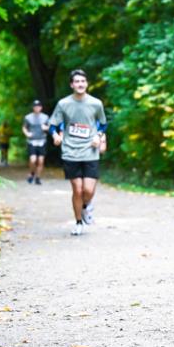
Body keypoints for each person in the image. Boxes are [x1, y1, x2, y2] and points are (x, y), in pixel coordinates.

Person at [49, 70, 107, 236]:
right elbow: (53, 124)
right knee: (77, 189)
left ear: (86, 84)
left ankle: (85, 207)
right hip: (70, 151)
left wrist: (98, 136)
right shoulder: (63, 104)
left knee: (88, 190)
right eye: (77, 81)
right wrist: (55, 135)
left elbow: (103, 124)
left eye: (83, 81)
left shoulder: (96, 103)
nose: (80, 84)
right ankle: (78, 222)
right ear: (71, 85)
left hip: (90, 151)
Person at [22, 99, 50, 184]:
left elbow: (50, 127)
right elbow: (24, 127)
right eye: (35, 106)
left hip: (42, 140)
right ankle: (32, 172)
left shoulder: (45, 117)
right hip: (32, 141)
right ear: (33, 108)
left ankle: (38, 177)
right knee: (33, 160)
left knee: (41, 161)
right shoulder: (28, 117)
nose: (37, 108)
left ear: (41, 108)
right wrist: (27, 134)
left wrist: (46, 128)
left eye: (38, 106)